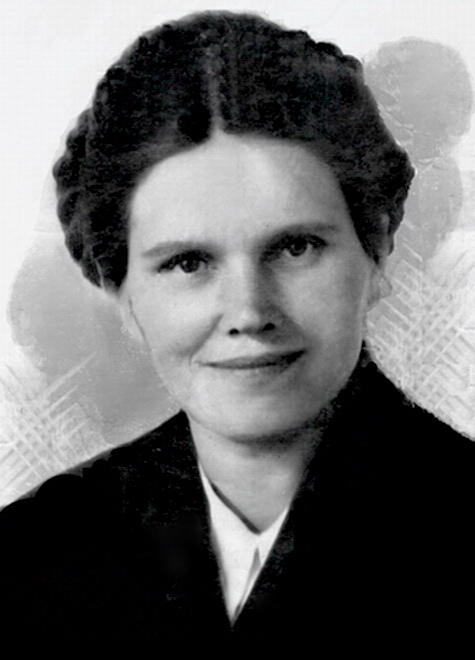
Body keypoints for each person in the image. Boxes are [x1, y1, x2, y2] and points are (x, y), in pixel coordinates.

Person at [1, 11, 474, 647]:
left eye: (296, 247)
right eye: (187, 263)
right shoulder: (32, 558)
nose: (249, 312)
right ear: (123, 296)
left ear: (378, 254)